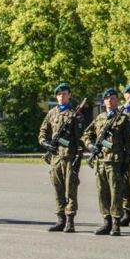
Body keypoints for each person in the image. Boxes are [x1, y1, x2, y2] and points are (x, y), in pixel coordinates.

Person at [82, 88, 130, 236]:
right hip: (100, 161)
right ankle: (106, 222)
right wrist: (90, 145)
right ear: (104, 101)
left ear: (117, 100)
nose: (110, 101)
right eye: (107, 98)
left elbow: (129, 144)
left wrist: (126, 163)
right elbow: (86, 134)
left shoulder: (123, 119)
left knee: (116, 193)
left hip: (115, 162)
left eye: (113, 98)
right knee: (102, 193)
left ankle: (116, 223)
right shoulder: (100, 118)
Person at [38, 82, 84, 233]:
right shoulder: (52, 113)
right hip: (56, 157)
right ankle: (60, 219)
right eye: (59, 94)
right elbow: (43, 132)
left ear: (69, 95)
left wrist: (78, 158)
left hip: (70, 157)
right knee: (58, 188)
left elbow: (80, 138)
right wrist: (46, 144)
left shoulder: (75, 113)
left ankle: (70, 221)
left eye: (64, 94)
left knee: (71, 189)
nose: (61, 96)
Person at [119, 84, 130, 226]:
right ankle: (126, 213)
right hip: (120, 154)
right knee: (123, 185)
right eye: (129, 93)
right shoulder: (118, 111)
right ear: (124, 95)